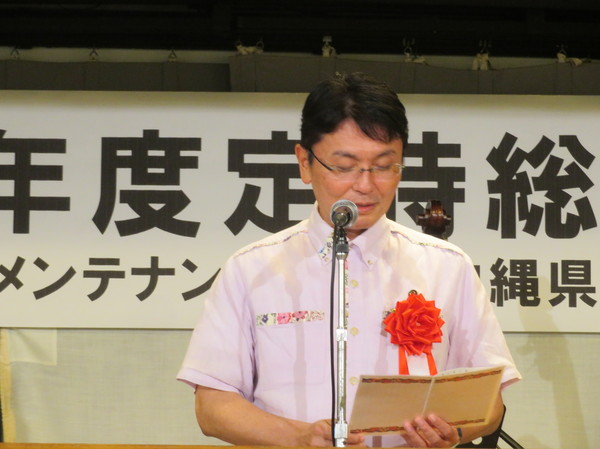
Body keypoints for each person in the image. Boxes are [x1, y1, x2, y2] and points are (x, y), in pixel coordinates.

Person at [177, 72, 521, 447]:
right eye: (344, 167)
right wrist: (300, 437)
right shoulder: (251, 270)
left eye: (384, 165)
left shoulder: (446, 266)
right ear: (304, 162)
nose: (365, 185)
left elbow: (490, 400)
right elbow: (213, 406)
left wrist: (453, 432)